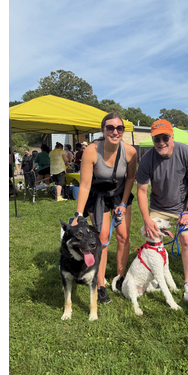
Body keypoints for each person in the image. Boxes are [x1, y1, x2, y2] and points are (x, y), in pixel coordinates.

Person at [71, 113, 137, 304]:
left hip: (120, 195)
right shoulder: (91, 151)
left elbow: (130, 179)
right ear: (103, 130)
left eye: (119, 128)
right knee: (102, 238)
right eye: (110, 127)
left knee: (123, 236)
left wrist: (123, 203)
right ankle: (100, 285)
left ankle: (120, 278)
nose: (115, 132)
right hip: (98, 197)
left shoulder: (130, 151)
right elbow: (85, 185)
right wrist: (78, 214)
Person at [136, 119, 188, 300]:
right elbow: (141, 191)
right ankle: (155, 276)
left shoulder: (186, 152)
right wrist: (146, 219)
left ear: (172, 137)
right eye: (157, 139)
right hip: (158, 206)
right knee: (152, 242)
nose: (161, 143)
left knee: (186, 240)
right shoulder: (146, 159)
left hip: (182, 206)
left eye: (165, 138)